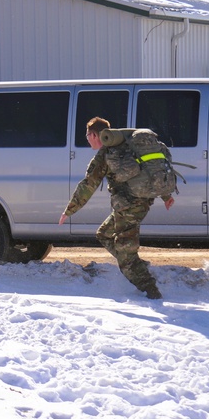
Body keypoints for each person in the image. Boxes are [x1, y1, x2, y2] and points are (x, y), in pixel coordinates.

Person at [58, 117, 174, 300]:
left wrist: (69, 210)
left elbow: (88, 184)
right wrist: (166, 195)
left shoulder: (106, 154)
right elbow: (151, 171)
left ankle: (150, 290)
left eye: (87, 135)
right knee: (104, 234)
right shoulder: (127, 146)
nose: (87, 139)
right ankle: (138, 266)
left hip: (129, 207)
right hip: (136, 204)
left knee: (125, 255)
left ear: (95, 135)